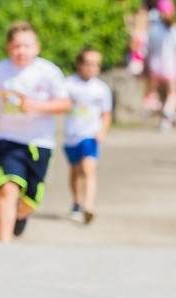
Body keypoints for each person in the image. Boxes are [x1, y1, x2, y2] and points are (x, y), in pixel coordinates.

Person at [0, 21, 71, 243]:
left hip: (41, 142)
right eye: (16, 46)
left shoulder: (48, 72)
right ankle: (3, 248)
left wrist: (39, 106)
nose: (21, 51)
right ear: (8, 48)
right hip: (9, 140)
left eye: (26, 46)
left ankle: (21, 215)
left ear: (37, 47)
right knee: (7, 189)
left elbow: (65, 103)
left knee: (31, 199)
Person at [64, 47, 113, 225]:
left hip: (90, 135)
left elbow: (106, 114)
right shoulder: (68, 84)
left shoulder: (101, 89)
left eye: (95, 65)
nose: (92, 68)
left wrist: (102, 131)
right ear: (79, 64)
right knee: (75, 171)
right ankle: (77, 202)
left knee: (88, 169)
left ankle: (88, 206)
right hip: (71, 135)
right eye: (88, 64)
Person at [145, 0, 176, 132]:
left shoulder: (153, 27)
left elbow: (148, 48)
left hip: (155, 65)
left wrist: (146, 66)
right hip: (170, 65)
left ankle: (166, 122)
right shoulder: (175, 28)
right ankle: (168, 111)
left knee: (162, 94)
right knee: (173, 94)